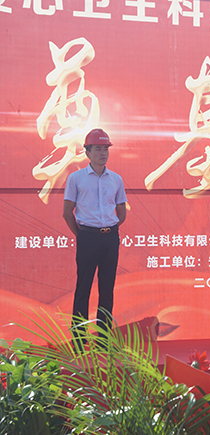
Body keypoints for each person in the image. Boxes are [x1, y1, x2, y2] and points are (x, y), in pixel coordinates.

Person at [63, 128, 127, 344]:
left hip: (110, 238)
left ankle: (104, 338)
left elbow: (121, 212)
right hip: (87, 237)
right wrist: (82, 234)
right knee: (83, 288)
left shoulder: (116, 179)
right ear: (87, 152)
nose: (103, 153)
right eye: (98, 149)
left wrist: (108, 228)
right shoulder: (76, 178)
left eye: (105, 149)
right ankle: (79, 339)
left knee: (107, 288)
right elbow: (67, 212)